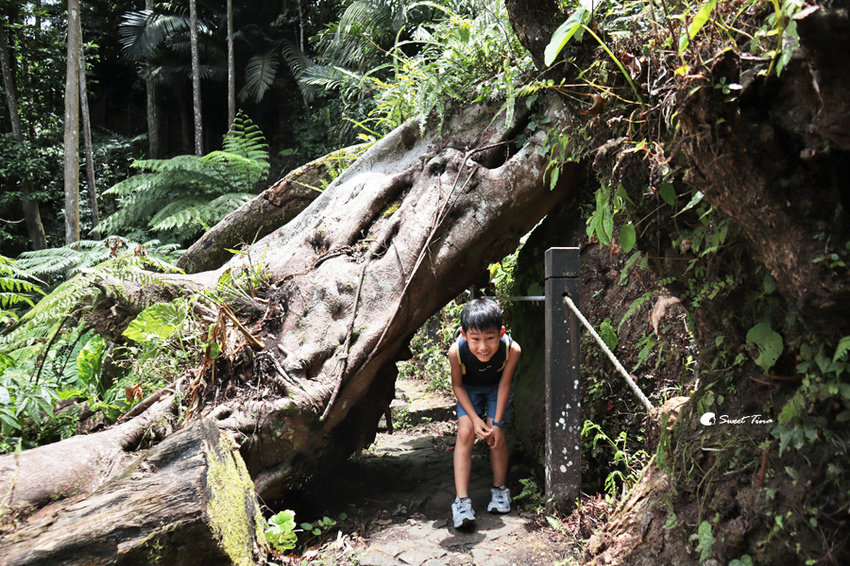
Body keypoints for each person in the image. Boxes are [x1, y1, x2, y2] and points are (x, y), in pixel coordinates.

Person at [448, 298, 521, 528]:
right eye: (475, 339)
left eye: (490, 338)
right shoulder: (456, 352)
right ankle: (461, 501)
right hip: (468, 389)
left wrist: (496, 424)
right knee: (466, 432)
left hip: (495, 388)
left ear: (501, 332)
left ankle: (500, 491)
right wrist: (474, 418)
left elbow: (504, 385)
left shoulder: (511, 349)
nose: (483, 347)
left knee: (495, 436)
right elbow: (458, 386)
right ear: (464, 334)